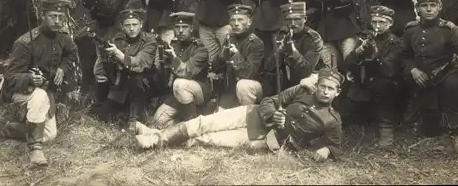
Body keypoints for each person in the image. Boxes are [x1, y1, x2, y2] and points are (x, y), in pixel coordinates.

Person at [134, 68, 344, 162]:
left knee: (208, 139)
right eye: (323, 87)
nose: (325, 92)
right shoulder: (301, 91)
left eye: (331, 89)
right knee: (203, 122)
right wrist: (274, 116)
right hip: (252, 115)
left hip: (264, 139)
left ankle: (158, 135)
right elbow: (271, 100)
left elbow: (336, 146)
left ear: (337, 92)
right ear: (316, 86)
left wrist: (326, 150)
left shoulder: (332, 120)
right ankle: (156, 138)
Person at [0, 0, 78, 166]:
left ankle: (3, 126)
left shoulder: (63, 37)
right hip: (21, 93)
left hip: (47, 92)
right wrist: (30, 78)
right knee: (38, 94)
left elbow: (71, 54)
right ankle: (35, 149)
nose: (57, 21)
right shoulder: (25, 42)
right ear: (43, 16)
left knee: (49, 136)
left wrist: (62, 68)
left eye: (61, 17)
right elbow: (10, 77)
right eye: (52, 16)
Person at [401, 0, 458, 153]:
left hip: (450, 71)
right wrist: (413, 69)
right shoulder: (410, 30)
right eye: (424, 6)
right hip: (425, 77)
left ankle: (457, 134)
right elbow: (404, 56)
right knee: (431, 130)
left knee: (452, 84)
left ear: (440, 7)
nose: (429, 9)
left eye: (433, 5)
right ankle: (425, 114)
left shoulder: (450, 30)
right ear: (417, 9)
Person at [340, 5, 402, 147]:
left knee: (383, 85)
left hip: (386, 86)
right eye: (374, 22)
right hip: (364, 82)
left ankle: (386, 128)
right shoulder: (365, 38)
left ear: (390, 23)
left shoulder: (395, 42)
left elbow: (389, 70)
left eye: (382, 23)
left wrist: (375, 56)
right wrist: (359, 51)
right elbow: (348, 63)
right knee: (347, 110)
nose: (377, 26)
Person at [81, 0, 132, 105]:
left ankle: (118, 106)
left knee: (115, 67)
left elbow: (111, 5)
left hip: (116, 28)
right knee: (101, 67)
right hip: (100, 26)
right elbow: (87, 3)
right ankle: (102, 105)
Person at [93, 9, 157, 132]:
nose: (131, 28)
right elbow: (104, 62)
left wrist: (118, 53)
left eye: (135, 24)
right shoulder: (117, 40)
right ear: (122, 26)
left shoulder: (150, 41)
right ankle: (123, 112)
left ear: (141, 25)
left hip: (144, 85)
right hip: (122, 84)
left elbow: (138, 64)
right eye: (128, 25)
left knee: (136, 78)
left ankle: (134, 119)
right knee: (103, 115)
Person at [153, 12, 209, 128]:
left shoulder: (200, 47)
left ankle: (192, 125)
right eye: (177, 27)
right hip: (178, 92)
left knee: (180, 83)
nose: (181, 31)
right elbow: (162, 73)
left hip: (199, 90)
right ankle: (185, 124)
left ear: (192, 29)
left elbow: (186, 73)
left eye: (185, 27)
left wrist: (173, 58)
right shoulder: (172, 45)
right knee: (159, 120)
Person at [263, 2, 326, 95]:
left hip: (310, 77)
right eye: (289, 20)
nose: (292, 24)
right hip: (286, 79)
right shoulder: (280, 35)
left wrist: (293, 51)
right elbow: (268, 67)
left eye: (297, 19)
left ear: (305, 19)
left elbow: (306, 71)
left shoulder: (313, 38)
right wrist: (280, 50)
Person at [213, 4, 265, 106]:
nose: (236, 24)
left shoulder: (256, 43)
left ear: (249, 22)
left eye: (241, 20)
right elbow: (215, 69)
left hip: (250, 88)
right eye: (233, 20)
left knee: (243, 86)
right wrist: (221, 56)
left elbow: (249, 73)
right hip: (230, 90)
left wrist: (236, 54)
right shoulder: (229, 39)